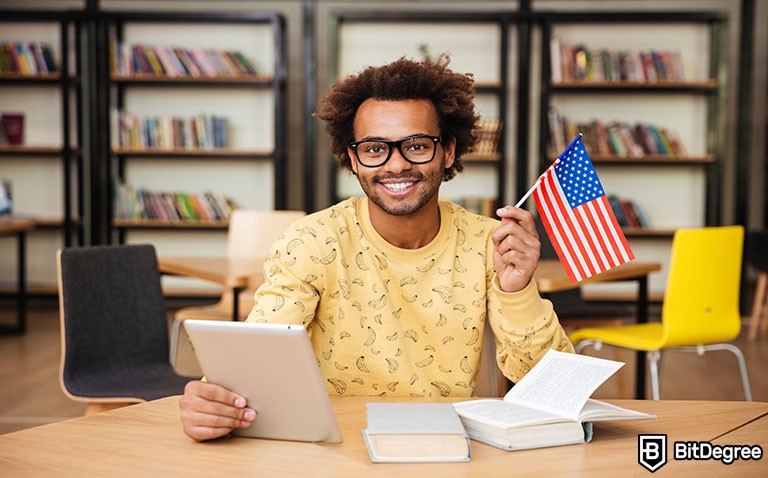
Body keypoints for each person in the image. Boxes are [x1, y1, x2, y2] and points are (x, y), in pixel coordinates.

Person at [180, 55, 574, 441]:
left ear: (449, 151)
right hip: (336, 443)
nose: (396, 165)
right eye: (374, 149)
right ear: (353, 158)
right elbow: (257, 358)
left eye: (417, 145)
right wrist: (214, 403)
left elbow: (553, 389)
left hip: (443, 444)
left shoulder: (489, 244)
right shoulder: (312, 241)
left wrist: (518, 291)